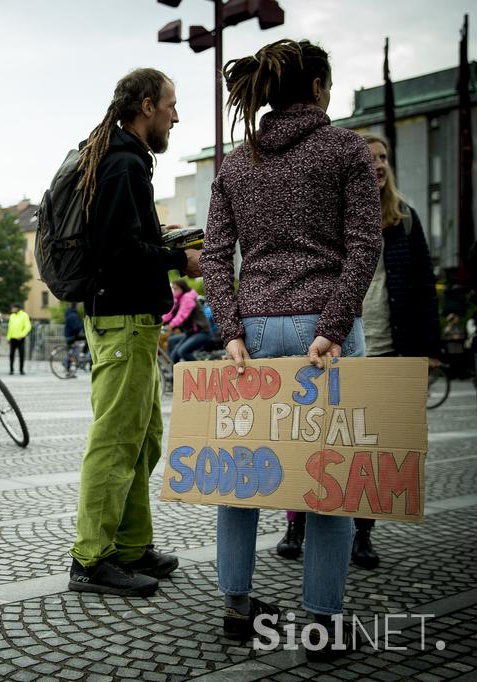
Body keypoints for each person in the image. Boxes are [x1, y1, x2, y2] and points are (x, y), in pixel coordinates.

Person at [200, 39, 381, 660]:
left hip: (253, 331)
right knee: (330, 479)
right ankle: (323, 623)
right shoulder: (344, 147)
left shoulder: (237, 164)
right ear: (321, 87)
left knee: (240, 477)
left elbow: (216, 256)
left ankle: (236, 607)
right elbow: (364, 245)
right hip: (320, 332)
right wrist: (332, 324)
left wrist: (229, 330)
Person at [67, 67, 199, 598]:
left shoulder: (120, 160)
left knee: (143, 441)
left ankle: (130, 545)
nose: (175, 114)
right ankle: (91, 558)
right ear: (146, 106)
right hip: (121, 317)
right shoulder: (123, 164)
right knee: (115, 441)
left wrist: (159, 237)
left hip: (130, 318)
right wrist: (178, 257)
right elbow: (118, 255)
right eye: (171, 104)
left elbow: (119, 240)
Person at [348, 132, 441, 570]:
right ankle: (300, 523)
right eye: (369, 159)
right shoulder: (339, 215)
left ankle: (363, 532)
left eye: (383, 157)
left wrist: (429, 349)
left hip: (389, 346)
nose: (379, 165)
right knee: (332, 444)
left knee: (374, 448)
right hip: (346, 344)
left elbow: (424, 285)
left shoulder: (404, 218)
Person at [162, 279, 212, 363]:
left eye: (176, 289)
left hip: (202, 332)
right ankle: (174, 374)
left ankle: (199, 371)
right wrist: (159, 321)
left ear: (182, 288)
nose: (174, 291)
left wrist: (171, 325)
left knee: (182, 351)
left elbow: (182, 314)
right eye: (173, 289)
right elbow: (170, 313)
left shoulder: (187, 298)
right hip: (191, 333)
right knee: (174, 354)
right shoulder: (178, 299)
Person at [6, 304, 31, 375]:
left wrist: (22, 335)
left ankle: (21, 370)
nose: (12, 309)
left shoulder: (24, 315)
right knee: (11, 355)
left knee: (21, 354)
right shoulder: (12, 316)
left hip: (20, 339)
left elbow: (28, 326)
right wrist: (8, 337)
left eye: (13, 308)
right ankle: (11, 370)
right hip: (12, 338)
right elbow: (9, 327)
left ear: (17, 308)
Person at [62, 303, 86, 376]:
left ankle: (68, 367)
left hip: (68, 336)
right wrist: (82, 324)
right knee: (73, 353)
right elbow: (76, 328)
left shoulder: (69, 313)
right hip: (72, 336)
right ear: (76, 306)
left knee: (71, 352)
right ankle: (83, 354)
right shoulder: (73, 315)